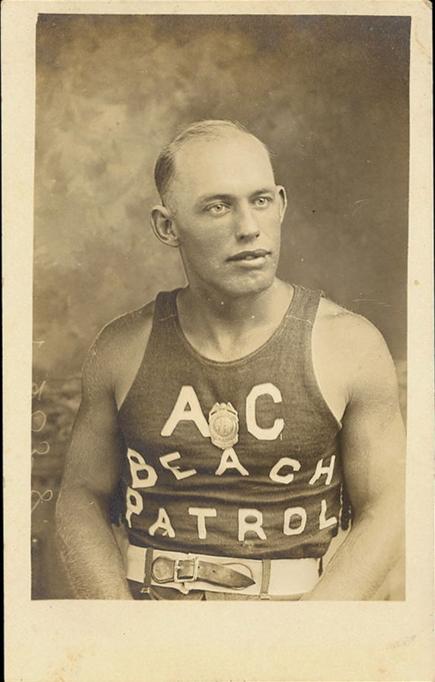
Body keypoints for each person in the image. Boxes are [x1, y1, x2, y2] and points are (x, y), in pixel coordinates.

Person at [56, 120, 405, 601]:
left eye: (260, 200)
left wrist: (316, 632)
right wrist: (116, 623)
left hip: (302, 621)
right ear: (167, 226)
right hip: (150, 620)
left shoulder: (349, 345)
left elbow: (389, 505)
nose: (248, 228)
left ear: (280, 205)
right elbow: (81, 495)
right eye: (218, 207)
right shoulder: (121, 348)